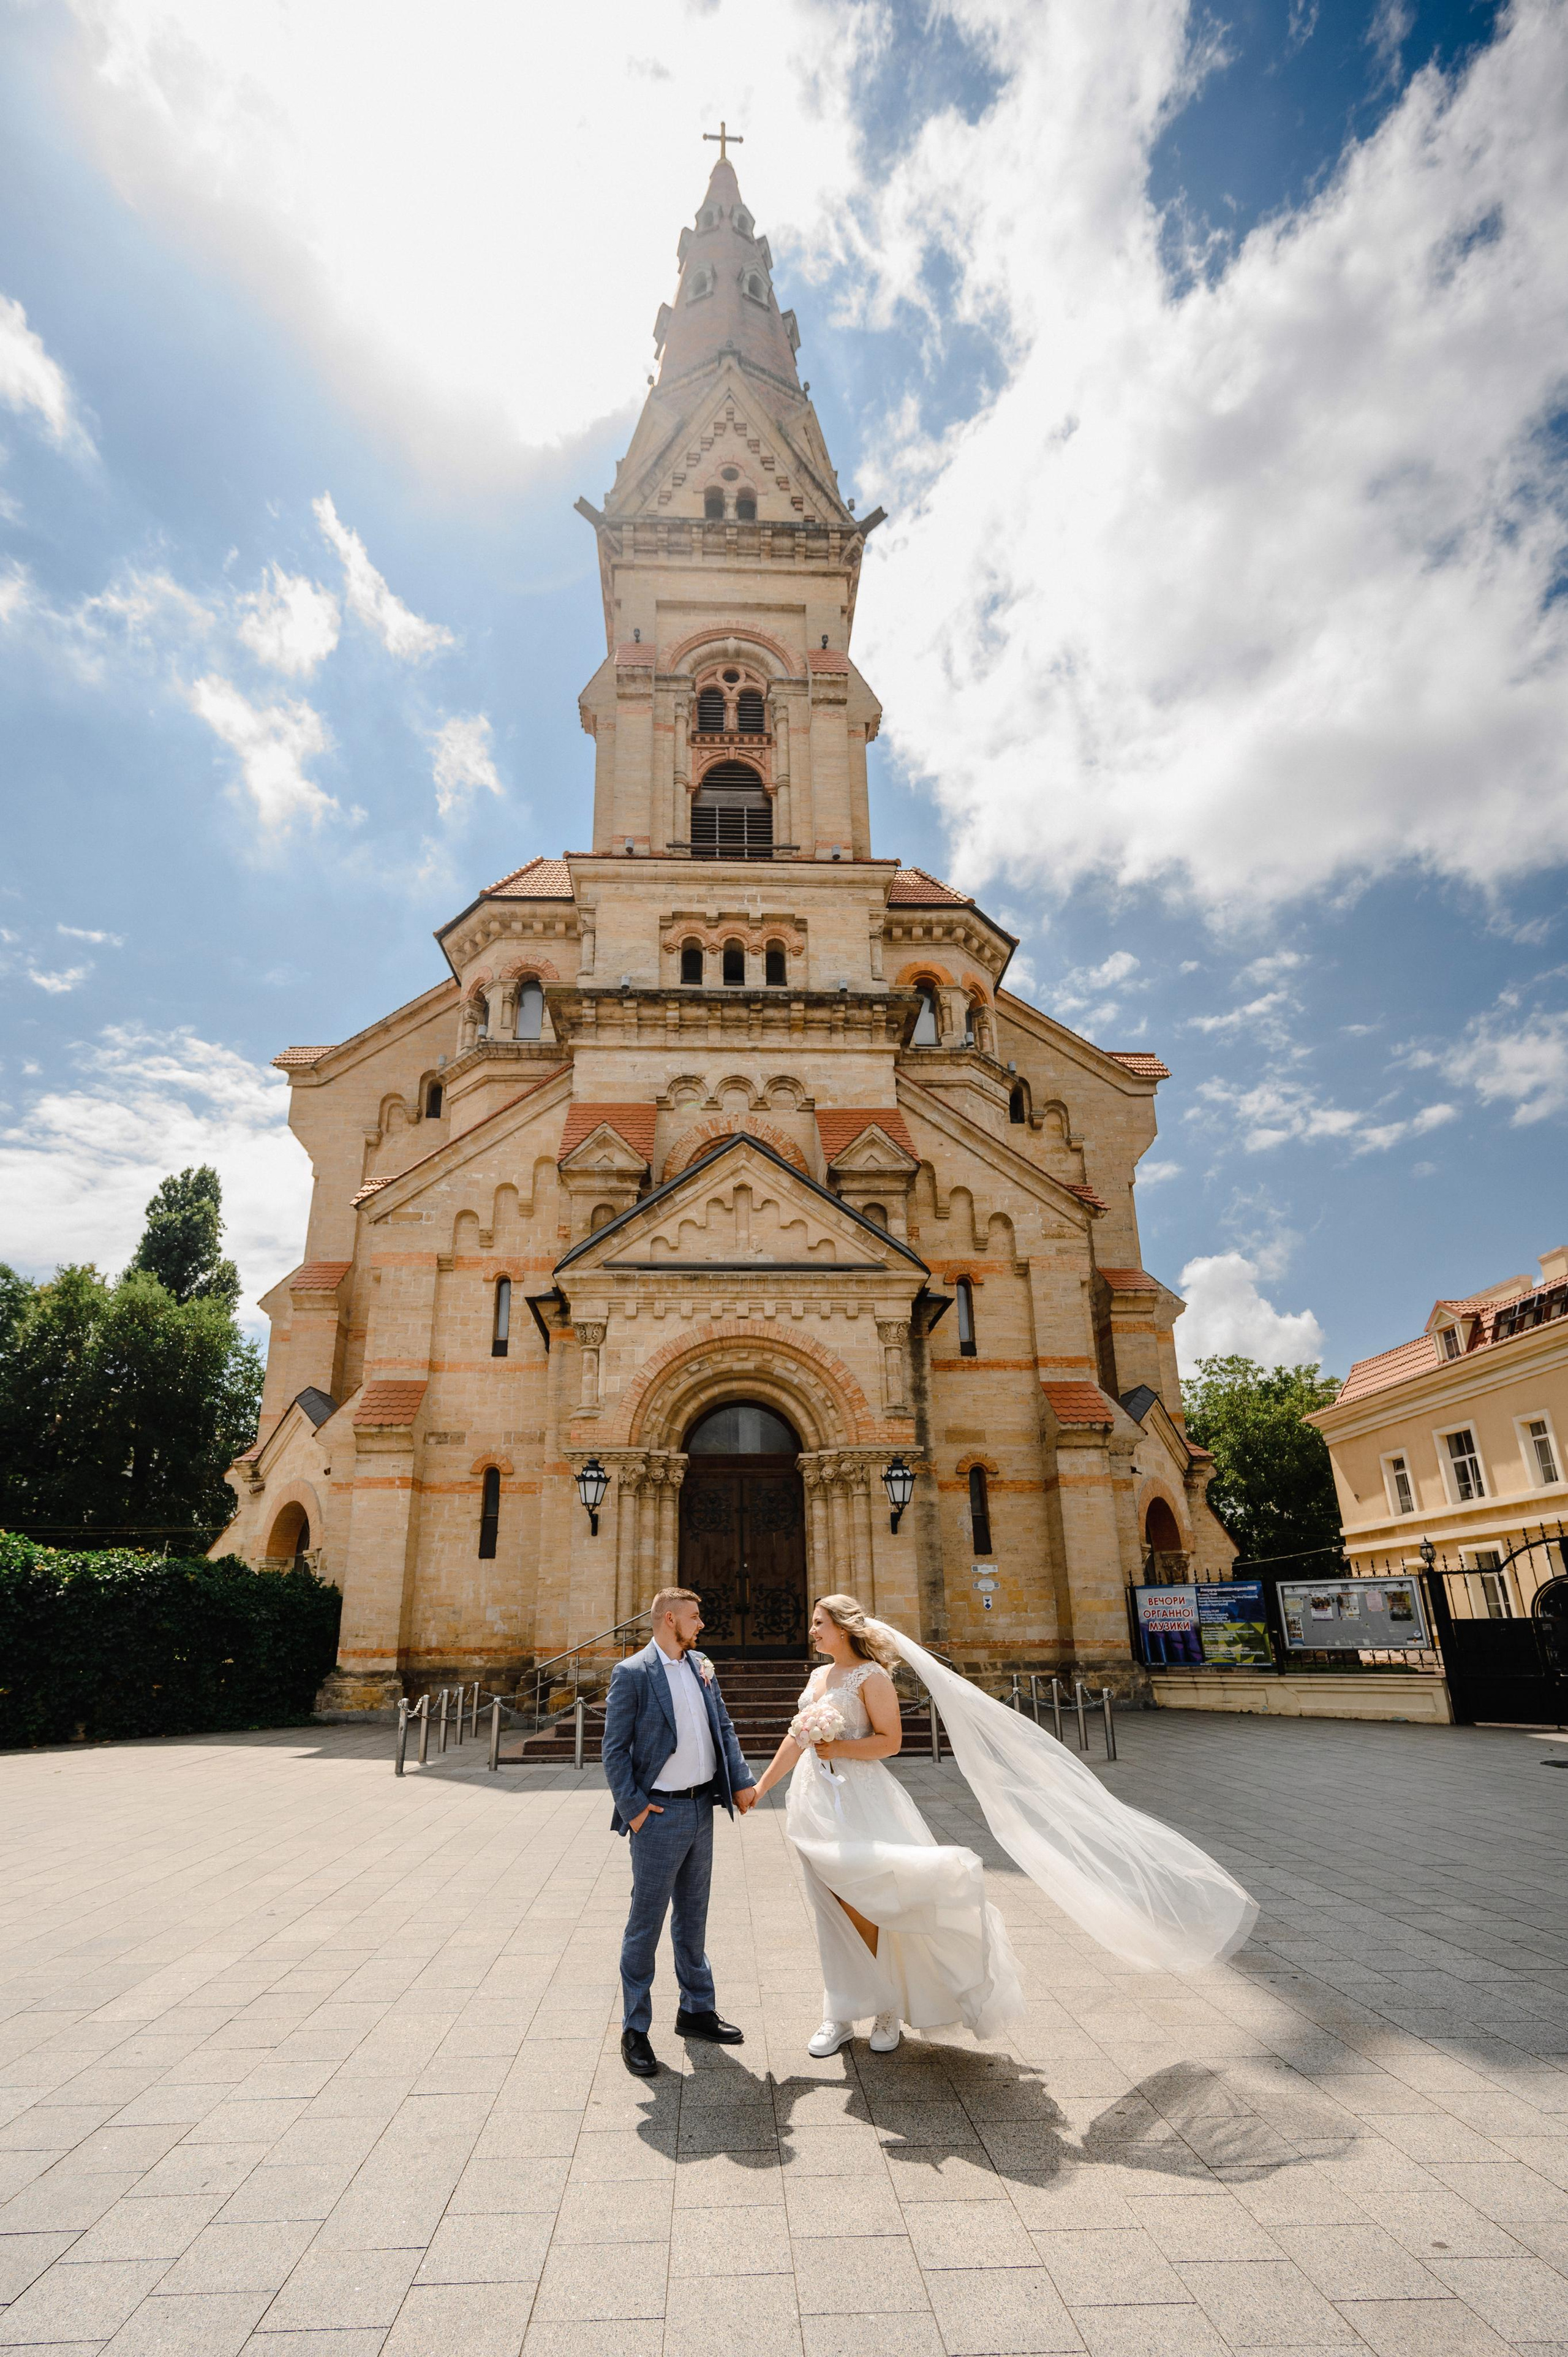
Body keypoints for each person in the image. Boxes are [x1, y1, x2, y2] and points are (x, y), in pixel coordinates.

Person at [750, 1594, 1258, 2059]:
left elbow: (890, 1741)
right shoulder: (818, 1679)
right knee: (829, 1904)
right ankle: (839, 2010)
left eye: (819, 1623)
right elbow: (796, 1740)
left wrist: (839, 1748)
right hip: (817, 1803)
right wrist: (760, 1786)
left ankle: (886, 2007)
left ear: (843, 1627)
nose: (812, 1631)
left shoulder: (871, 1677)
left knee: (876, 1899)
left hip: (862, 1799)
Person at [601, 1586, 756, 2078]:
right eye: (695, 1616)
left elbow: (724, 1726)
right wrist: (637, 1810)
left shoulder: (701, 1665)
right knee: (644, 1923)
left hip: (701, 1809)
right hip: (660, 1815)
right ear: (670, 1619)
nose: (702, 1623)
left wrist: (741, 1781)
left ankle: (696, 2009)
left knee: (693, 1917)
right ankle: (635, 2028)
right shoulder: (633, 1674)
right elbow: (614, 1750)